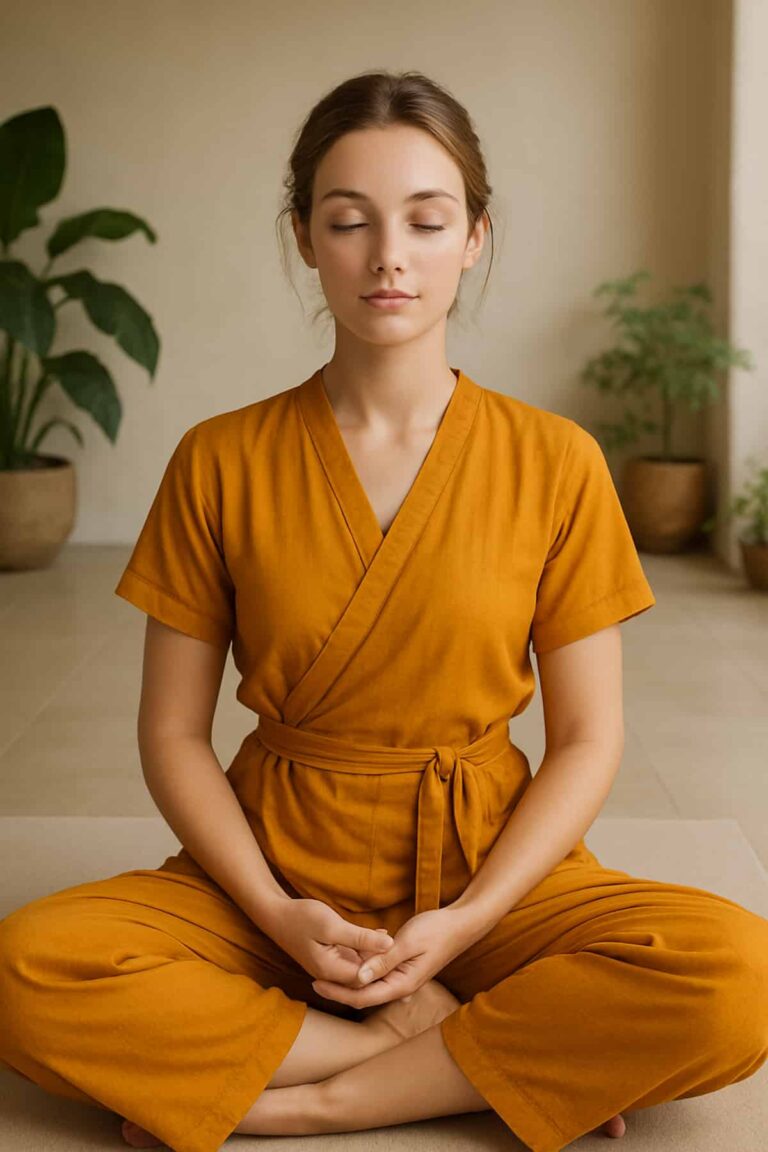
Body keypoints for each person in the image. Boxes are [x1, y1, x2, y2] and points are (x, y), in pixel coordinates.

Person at [1, 68, 767, 1152]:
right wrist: (275, 914)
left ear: (475, 237)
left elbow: (590, 740)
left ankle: (314, 1095)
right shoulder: (219, 458)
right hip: (273, 863)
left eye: (427, 218)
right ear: (306, 239)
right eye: (348, 220)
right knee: (27, 970)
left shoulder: (556, 460)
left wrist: (465, 924)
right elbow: (172, 734)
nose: (388, 255)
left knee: (738, 978)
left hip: (489, 866)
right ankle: (458, 1051)